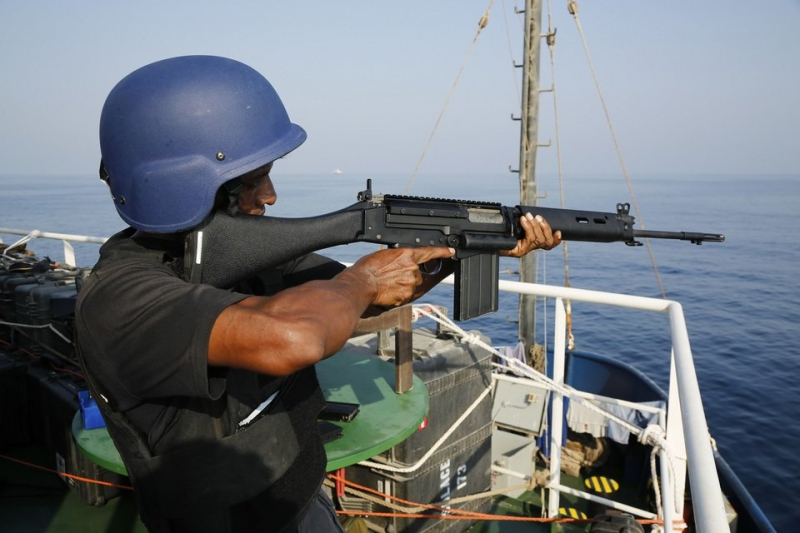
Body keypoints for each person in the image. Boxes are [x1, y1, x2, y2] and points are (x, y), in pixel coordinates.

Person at [75, 55, 560, 533]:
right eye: (252, 179)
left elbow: (359, 301)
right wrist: (364, 278)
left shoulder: (238, 259)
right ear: (185, 188)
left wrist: (464, 250)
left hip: (301, 495)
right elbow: (296, 337)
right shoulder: (120, 300)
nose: (270, 196)